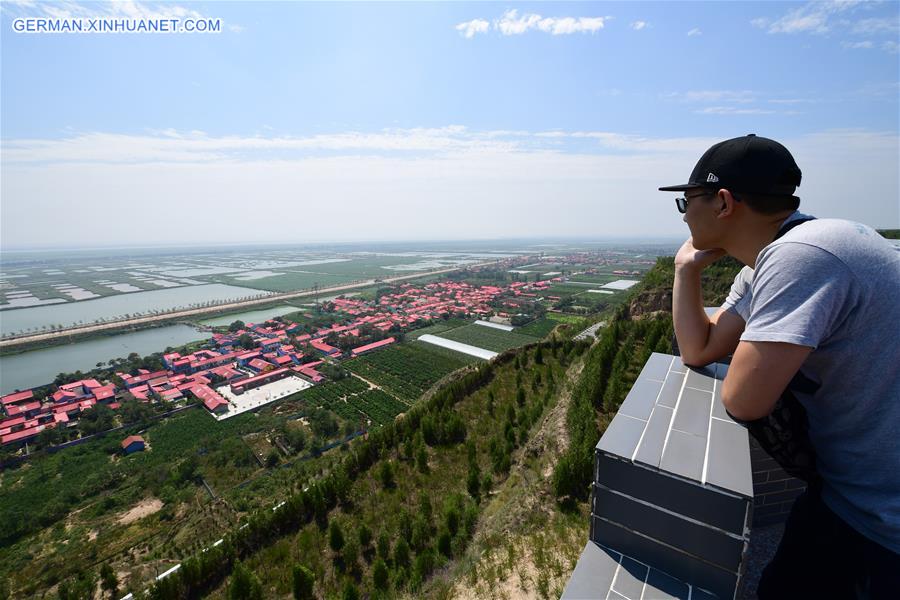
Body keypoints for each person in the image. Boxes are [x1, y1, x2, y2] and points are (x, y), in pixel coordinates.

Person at [659, 134, 900, 599]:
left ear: (724, 202)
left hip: (884, 522)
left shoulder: (802, 256)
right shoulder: (770, 262)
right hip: (846, 496)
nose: (686, 215)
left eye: (687, 202)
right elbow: (700, 349)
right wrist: (685, 270)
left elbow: (744, 399)